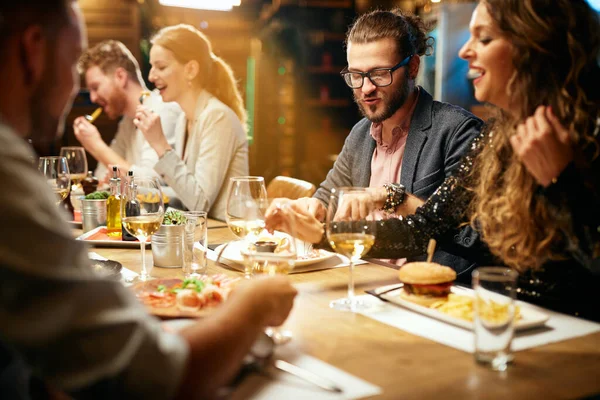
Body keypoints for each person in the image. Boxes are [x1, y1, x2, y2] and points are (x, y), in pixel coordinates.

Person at [0, 1, 297, 398]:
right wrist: (255, 305)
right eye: (73, 68)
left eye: (160, 66)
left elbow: (187, 198)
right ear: (32, 50)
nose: (79, 92)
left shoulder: (193, 116)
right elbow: (148, 376)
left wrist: (154, 150)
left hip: (221, 245)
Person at [268, 0, 600, 321]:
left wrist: (562, 181)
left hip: (562, 333)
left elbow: (472, 243)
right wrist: (322, 226)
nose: (464, 50)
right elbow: (424, 226)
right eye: (356, 75)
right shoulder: (498, 139)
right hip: (501, 319)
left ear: (535, 47)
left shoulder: (466, 130)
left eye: (484, 38)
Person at [290, 9, 483, 274]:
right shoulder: (360, 134)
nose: (366, 88)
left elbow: (465, 236)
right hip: (361, 280)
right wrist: (314, 208)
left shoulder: (457, 131)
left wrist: (391, 197)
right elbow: (328, 195)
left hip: (421, 293)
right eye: (356, 75)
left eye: (379, 73)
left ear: (412, 67)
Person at [134, 24, 249, 221]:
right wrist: (137, 192)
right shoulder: (183, 119)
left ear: (191, 70)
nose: (151, 76)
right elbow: (185, 193)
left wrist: (160, 145)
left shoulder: (217, 117)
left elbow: (199, 204)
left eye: (161, 67)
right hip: (205, 234)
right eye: (152, 67)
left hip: (228, 237)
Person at [74, 39, 181, 182]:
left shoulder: (162, 110)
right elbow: (101, 174)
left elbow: (153, 183)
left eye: (95, 87)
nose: (92, 98)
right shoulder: (127, 122)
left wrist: (96, 145)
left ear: (120, 77)